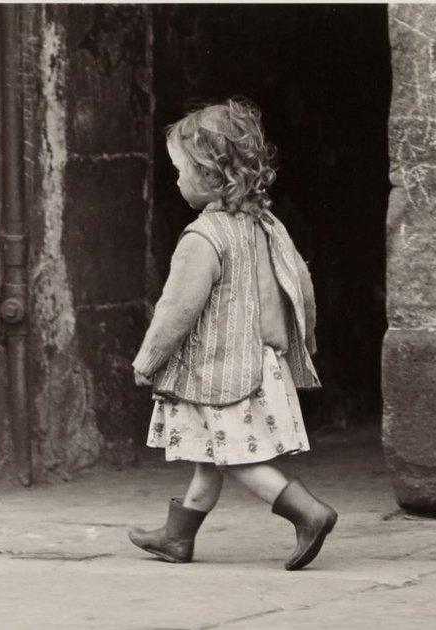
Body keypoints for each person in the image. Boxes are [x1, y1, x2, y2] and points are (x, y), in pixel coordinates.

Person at [128, 97, 337, 571]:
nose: (176, 179)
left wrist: (148, 360)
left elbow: (176, 310)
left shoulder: (203, 237)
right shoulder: (263, 225)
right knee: (212, 451)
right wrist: (290, 346)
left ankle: (308, 512)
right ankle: (177, 538)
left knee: (237, 457)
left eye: (180, 169)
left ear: (209, 174)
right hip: (254, 363)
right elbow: (294, 285)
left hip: (218, 369)